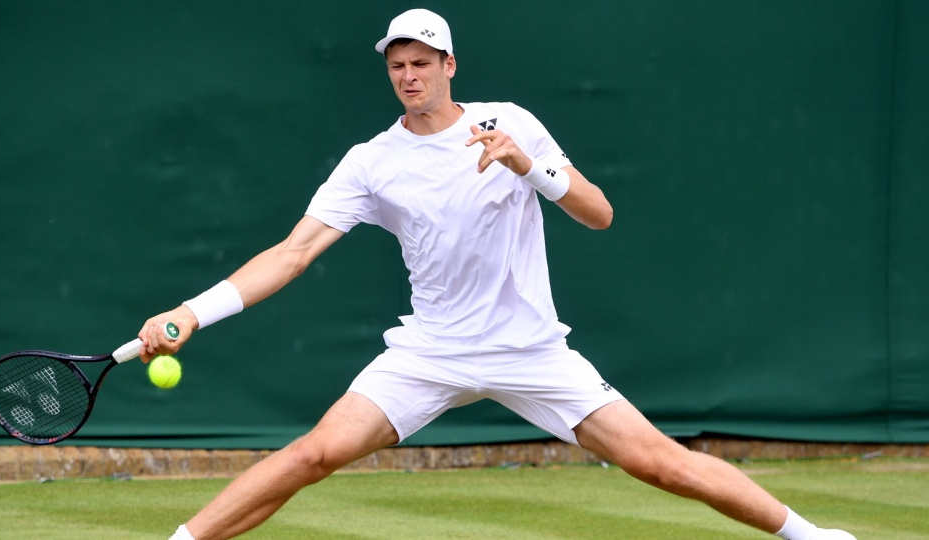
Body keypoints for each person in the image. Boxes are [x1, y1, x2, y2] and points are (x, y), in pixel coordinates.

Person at [139, 9, 857, 540]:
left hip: (531, 351)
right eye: (398, 65)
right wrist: (192, 312)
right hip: (431, 352)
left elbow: (599, 213)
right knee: (313, 453)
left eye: (423, 62)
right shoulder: (371, 161)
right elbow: (292, 253)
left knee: (661, 463)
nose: (410, 76)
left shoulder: (509, 124)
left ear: (451, 65)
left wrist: (529, 167)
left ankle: (812, 537)